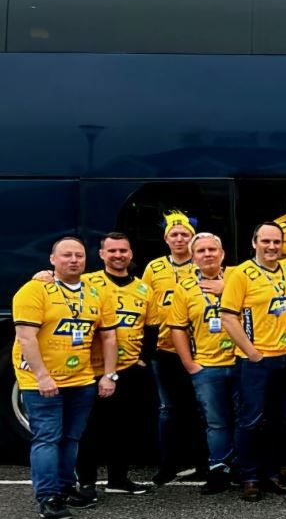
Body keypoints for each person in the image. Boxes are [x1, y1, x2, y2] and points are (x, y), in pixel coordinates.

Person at [12, 237, 118, 519]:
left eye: (79, 255)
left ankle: (65, 487)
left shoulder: (95, 293)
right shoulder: (34, 290)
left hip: (81, 380)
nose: (73, 260)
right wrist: (42, 376)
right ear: (52, 259)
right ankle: (48, 497)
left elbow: (109, 337)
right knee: (48, 437)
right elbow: (26, 337)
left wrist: (109, 375)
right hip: (43, 382)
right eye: (66, 255)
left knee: (71, 438)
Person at [220, 222, 286, 501]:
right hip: (255, 362)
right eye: (266, 241)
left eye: (277, 242)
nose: (271, 247)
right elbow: (228, 317)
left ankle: (272, 474)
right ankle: (250, 477)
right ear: (254, 243)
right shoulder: (241, 273)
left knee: (280, 420)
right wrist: (252, 352)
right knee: (251, 421)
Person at [75, 233, 158, 498]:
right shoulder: (87, 282)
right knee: (90, 428)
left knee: (124, 428)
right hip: (93, 369)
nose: (118, 255)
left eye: (123, 250)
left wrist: (144, 359)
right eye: (112, 251)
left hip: (129, 368)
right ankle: (86, 482)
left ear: (131, 254)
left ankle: (118, 479)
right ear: (102, 254)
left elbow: (152, 328)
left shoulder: (144, 289)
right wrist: (42, 275)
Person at [168, 232, 238, 495]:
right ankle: (219, 469)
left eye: (212, 249)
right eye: (201, 251)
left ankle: (245, 468)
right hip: (207, 366)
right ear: (193, 257)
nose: (207, 254)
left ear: (222, 253)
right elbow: (177, 328)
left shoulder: (239, 278)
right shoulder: (184, 288)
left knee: (246, 420)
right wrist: (189, 364)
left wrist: (227, 289)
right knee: (216, 422)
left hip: (242, 361)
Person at [143, 211, 202, 486]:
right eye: (174, 235)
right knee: (168, 408)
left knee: (200, 408)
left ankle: (203, 464)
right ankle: (167, 466)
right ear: (166, 239)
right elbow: (143, 303)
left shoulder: (201, 264)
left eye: (185, 234)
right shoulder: (154, 268)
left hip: (199, 348)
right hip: (164, 348)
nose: (179, 239)